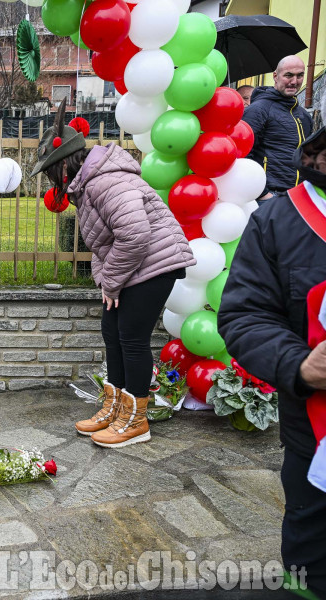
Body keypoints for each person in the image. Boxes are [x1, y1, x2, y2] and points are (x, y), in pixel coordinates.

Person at [30, 99, 195, 448]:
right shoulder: (89, 185)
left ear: (63, 166)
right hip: (134, 265)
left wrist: (112, 280)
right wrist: (107, 281)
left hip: (154, 265)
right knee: (112, 333)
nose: (49, 179)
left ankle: (136, 421)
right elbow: (105, 245)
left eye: (49, 171)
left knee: (132, 339)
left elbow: (135, 235)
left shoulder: (106, 182)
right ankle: (115, 407)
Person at [218, 126, 326, 599]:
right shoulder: (280, 220)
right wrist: (301, 366)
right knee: (311, 567)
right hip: (315, 441)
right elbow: (244, 316)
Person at [242, 55, 312, 202]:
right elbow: (243, 155)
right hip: (268, 197)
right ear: (275, 76)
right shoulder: (258, 110)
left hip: (297, 198)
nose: (294, 81)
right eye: (289, 75)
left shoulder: (304, 116)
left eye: (300, 75)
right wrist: (263, 193)